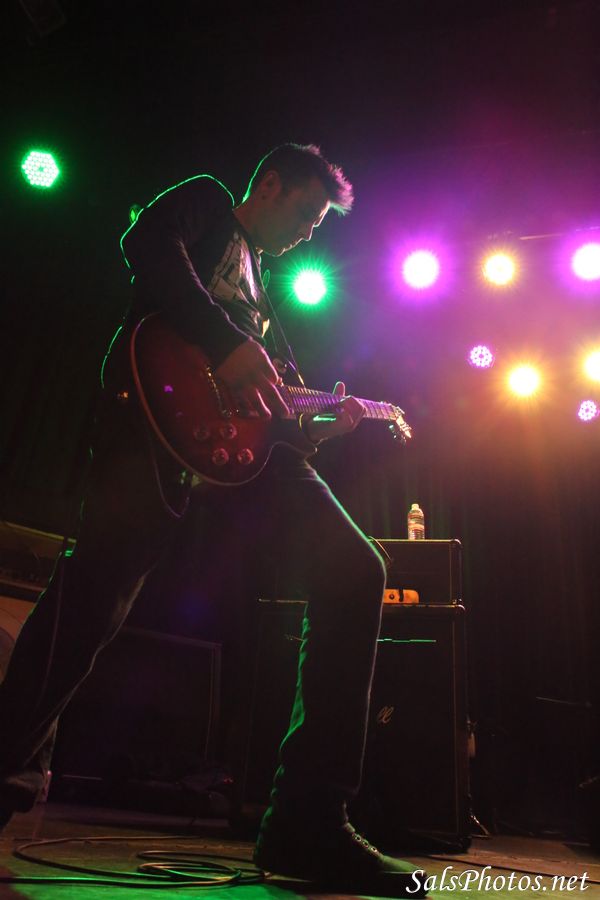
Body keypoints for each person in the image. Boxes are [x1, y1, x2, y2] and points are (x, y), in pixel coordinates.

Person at [0, 144, 427, 896]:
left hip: (239, 460)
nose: (308, 232)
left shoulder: (268, 299)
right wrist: (226, 341)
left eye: (318, 224)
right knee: (91, 604)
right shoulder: (206, 204)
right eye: (306, 212)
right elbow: (145, 243)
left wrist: (320, 426)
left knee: (355, 568)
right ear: (270, 184)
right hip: (150, 422)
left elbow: (269, 414)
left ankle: (307, 823)